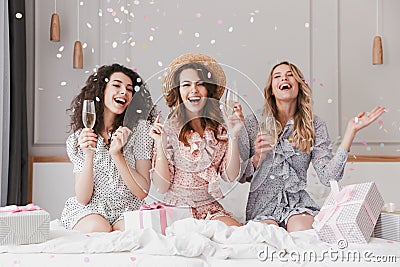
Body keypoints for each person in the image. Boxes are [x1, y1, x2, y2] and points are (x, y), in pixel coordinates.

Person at [239, 61, 385, 232]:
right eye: (277, 76)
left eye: (290, 74)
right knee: (268, 235)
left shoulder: (315, 125)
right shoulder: (253, 122)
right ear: (271, 89)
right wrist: (257, 158)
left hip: (297, 204)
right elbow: (239, 176)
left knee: (302, 232)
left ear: (299, 85)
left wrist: (350, 133)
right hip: (261, 207)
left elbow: (328, 177)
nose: (284, 78)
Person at [149, 53, 244, 227]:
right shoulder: (168, 129)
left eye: (200, 84)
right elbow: (161, 187)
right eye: (186, 85)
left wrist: (234, 135)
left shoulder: (219, 129)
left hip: (208, 208)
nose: (194, 90)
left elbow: (230, 177)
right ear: (179, 91)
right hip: (177, 209)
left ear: (208, 90)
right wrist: (160, 144)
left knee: (238, 232)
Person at [61, 64, 156, 233]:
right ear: (101, 91)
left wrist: (117, 154)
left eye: (129, 89)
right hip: (91, 210)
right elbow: (83, 198)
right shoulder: (79, 138)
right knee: (98, 228)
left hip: (128, 209)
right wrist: (88, 155)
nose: (124, 92)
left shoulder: (141, 131)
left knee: (130, 232)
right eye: (117, 85)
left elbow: (142, 192)